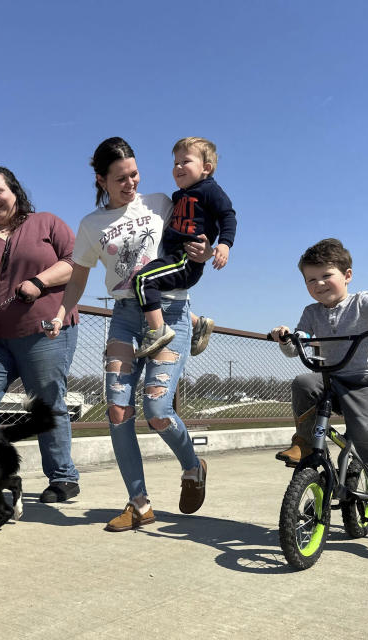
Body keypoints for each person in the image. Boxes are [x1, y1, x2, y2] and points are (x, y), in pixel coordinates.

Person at [47, 136, 212, 532]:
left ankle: (192, 467)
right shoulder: (91, 225)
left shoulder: (162, 204)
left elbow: (200, 233)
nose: (131, 183)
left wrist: (207, 251)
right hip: (123, 315)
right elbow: (79, 274)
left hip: (169, 311)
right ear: (102, 180)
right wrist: (60, 312)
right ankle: (139, 504)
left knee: (157, 410)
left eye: (134, 174)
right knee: (118, 411)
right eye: (121, 178)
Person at [269, 238, 368, 544]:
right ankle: (305, 443)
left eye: (327, 276)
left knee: (366, 436)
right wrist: (287, 338)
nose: (319, 283)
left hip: (365, 381)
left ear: (347, 276)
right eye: (311, 279)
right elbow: (300, 344)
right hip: (330, 380)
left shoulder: (362, 302)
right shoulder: (311, 312)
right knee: (303, 383)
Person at [0, 166, 80, 503]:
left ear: (14, 190)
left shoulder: (47, 223)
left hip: (45, 329)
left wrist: (39, 282)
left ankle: (63, 478)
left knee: (46, 400)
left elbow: (75, 262)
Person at [133, 137, 237, 359]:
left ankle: (157, 330)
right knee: (157, 290)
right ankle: (197, 323)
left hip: (187, 257)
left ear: (206, 168)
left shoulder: (209, 190)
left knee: (143, 280)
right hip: (175, 256)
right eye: (175, 163)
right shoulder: (178, 196)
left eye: (185, 162)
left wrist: (224, 245)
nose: (178, 167)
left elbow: (227, 215)